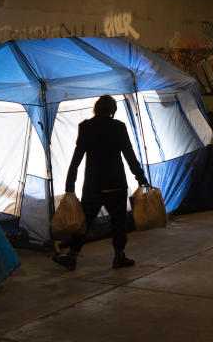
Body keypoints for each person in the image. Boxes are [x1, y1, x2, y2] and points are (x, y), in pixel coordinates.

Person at [53, 95, 149, 271]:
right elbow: (129, 156)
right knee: (118, 224)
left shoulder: (86, 127)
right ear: (113, 110)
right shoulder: (119, 127)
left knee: (84, 223)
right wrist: (141, 178)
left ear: (96, 108)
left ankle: (72, 257)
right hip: (116, 184)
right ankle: (119, 257)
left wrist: (70, 185)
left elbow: (77, 158)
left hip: (93, 185)